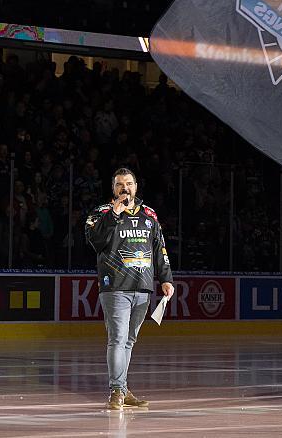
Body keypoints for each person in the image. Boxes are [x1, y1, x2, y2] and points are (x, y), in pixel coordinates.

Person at [85, 167, 175, 410]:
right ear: (113, 189)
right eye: (119, 185)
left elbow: (160, 249)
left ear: (136, 187)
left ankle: (123, 389)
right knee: (117, 338)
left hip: (143, 288)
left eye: (129, 184)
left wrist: (166, 278)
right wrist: (114, 214)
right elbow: (95, 241)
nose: (125, 188)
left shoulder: (149, 214)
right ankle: (116, 391)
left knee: (129, 341)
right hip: (114, 287)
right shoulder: (101, 213)